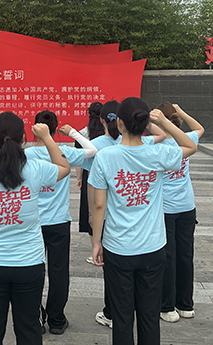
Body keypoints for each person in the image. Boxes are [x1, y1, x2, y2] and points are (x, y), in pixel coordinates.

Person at [89, 97, 197, 345]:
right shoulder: (157, 153)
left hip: (118, 247)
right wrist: (165, 123)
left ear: (120, 123)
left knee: (122, 317)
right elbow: (190, 146)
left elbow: (98, 205)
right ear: (145, 123)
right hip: (153, 247)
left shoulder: (106, 156)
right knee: (149, 317)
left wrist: (96, 242)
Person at [0, 112, 70, 345]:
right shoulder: (35, 168)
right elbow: (64, 166)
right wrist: (47, 137)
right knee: (29, 327)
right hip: (29, 264)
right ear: (23, 138)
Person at [24, 110, 96, 335]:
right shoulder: (64, 152)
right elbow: (93, 150)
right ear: (55, 129)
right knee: (59, 272)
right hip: (58, 222)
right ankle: (56, 320)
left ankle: (35, 317)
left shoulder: (25, 155)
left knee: (32, 270)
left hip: (32, 222)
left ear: (35, 128)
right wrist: (73, 132)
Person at [153, 103, 204, 323]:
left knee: (168, 256)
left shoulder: (156, 144)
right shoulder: (187, 139)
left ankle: (167, 307)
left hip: (165, 208)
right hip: (187, 206)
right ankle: (185, 304)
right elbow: (200, 128)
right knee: (185, 255)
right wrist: (181, 112)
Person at [89, 100, 121, 330]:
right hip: (138, 226)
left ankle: (111, 312)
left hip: (110, 219)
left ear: (102, 120)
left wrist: (92, 218)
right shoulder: (145, 146)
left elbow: (94, 191)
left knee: (113, 270)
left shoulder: (96, 146)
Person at [77, 102, 104, 260]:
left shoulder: (82, 134)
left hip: (89, 176)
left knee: (91, 211)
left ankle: (95, 247)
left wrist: (79, 178)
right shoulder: (108, 134)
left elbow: (80, 159)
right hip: (105, 175)